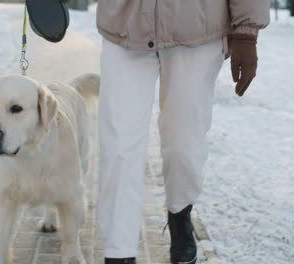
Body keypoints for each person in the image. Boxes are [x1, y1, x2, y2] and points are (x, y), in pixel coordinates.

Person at [96, 1, 270, 264]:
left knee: (184, 145)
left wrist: (247, 32)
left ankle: (180, 215)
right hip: (124, 21)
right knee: (119, 145)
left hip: (198, 27)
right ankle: (119, 252)